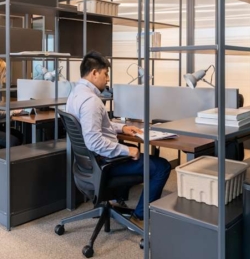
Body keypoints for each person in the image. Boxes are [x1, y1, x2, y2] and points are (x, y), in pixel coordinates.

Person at [66, 51, 171, 230]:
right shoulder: (91, 101)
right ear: (94, 73)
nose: (107, 79)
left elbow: (94, 125)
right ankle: (139, 217)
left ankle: (116, 199)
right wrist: (127, 151)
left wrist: (121, 128)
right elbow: (94, 142)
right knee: (161, 166)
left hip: (89, 163)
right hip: (105, 163)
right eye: (105, 74)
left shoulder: (75, 94)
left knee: (130, 147)